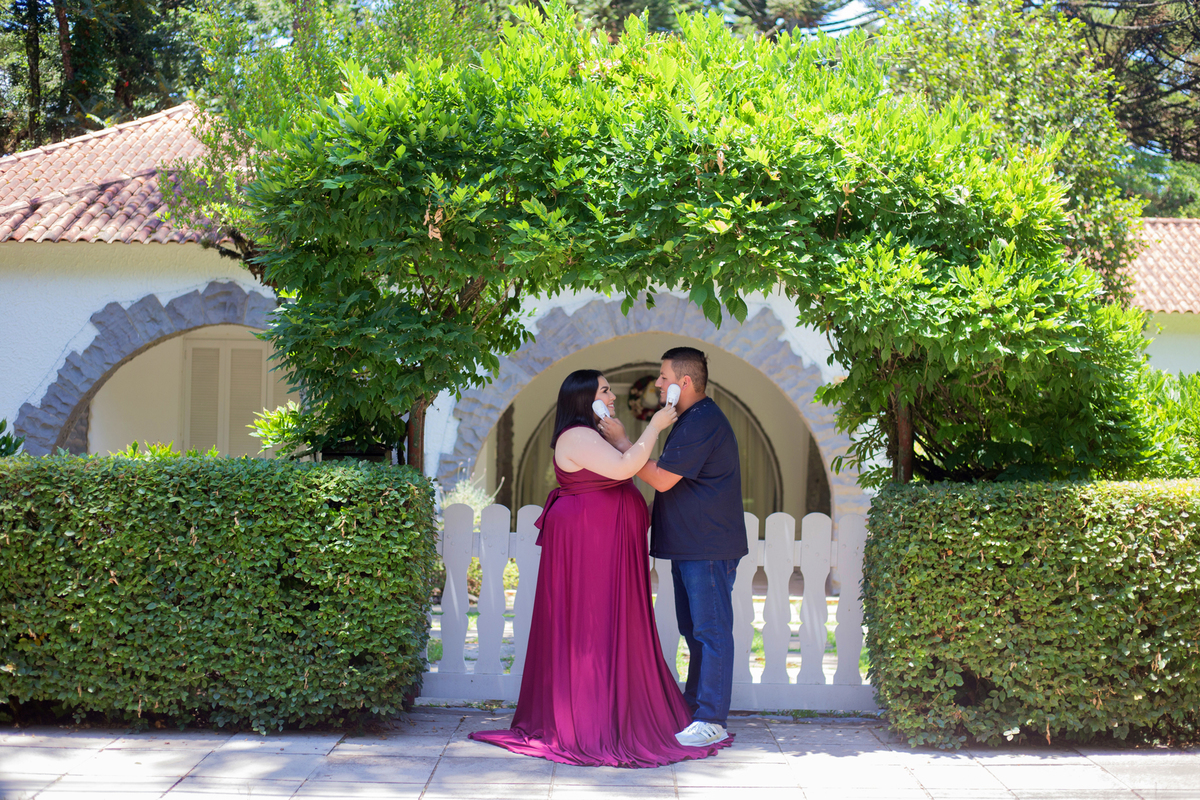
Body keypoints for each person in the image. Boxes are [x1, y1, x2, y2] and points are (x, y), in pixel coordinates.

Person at [469, 369, 733, 767]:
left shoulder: (595, 434)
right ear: (585, 398)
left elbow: (625, 464)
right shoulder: (577, 436)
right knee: (592, 625)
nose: (612, 396)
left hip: (608, 544)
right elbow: (625, 467)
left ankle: (620, 709)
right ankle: (589, 721)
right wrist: (655, 427)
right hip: (589, 544)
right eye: (606, 390)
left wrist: (629, 437)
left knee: (612, 624)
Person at [605, 347, 746, 748]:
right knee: (694, 630)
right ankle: (695, 708)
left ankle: (712, 719)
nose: (658, 383)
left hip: (707, 546)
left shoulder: (703, 421)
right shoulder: (689, 421)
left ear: (684, 383)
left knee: (710, 631)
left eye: (664, 377)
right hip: (691, 546)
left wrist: (622, 442)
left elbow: (663, 479)